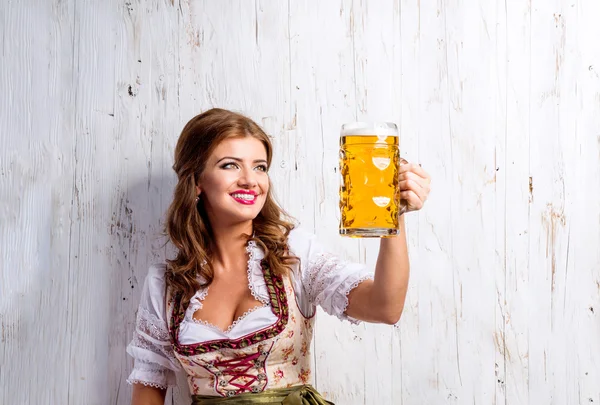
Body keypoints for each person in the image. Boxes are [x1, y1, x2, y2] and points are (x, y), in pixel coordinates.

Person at [126, 108, 431, 405]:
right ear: (196, 182)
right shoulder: (166, 284)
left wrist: (396, 215)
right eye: (230, 165)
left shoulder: (294, 255)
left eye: (260, 167)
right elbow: (149, 389)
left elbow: (385, 308)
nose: (250, 180)